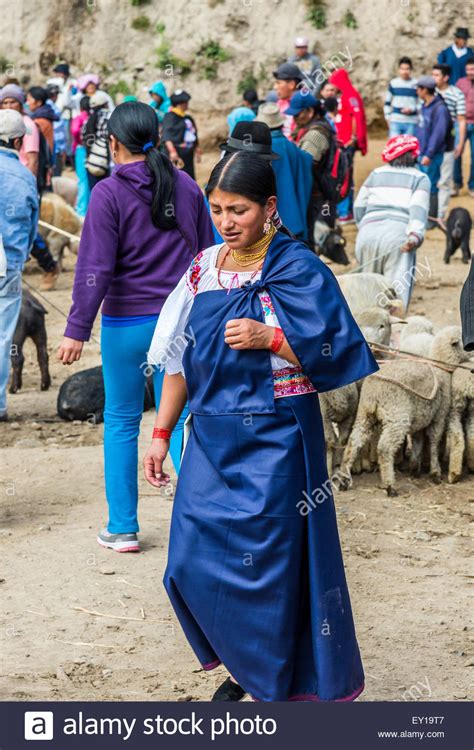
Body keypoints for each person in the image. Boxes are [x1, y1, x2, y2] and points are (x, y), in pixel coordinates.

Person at [144, 150, 378, 702]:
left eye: (239, 210)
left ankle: (264, 681)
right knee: (187, 562)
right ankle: (246, 662)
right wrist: (160, 434)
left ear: (269, 207)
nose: (226, 221)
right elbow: (176, 360)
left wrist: (271, 338)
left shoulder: (299, 268)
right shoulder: (202, 269)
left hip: (279, 437)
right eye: (217, 208)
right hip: (212, 437)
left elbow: (337, 352)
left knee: (274, 569)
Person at [58, 101, 214, 553]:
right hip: (181, 325)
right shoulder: (186, 186)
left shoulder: (108, 193)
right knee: (183, 419)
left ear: (112, 143)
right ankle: (200, 524)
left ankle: (123, 527)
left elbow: (95, 268)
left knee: (122, 420)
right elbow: (207, 255)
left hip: (126, 325)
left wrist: (76, 327)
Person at [354, 135, 430, 311]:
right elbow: (418, 210)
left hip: (367, 235)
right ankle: (394, 334)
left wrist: (364, 227)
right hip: (398, 238)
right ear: (414, 155)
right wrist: (414, 237)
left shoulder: (376, 173)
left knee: (367, 292)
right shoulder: (420, 178)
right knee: (395, 296)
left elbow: (359, 206)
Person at [1, 83, 60, 291]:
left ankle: (49, 266)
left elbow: (33, 159)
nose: (8, 105)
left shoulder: (26, 125)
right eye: (4, 101)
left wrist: (30, 187)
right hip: (8, 182)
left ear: (21, 103)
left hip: (22, 184)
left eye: (12, 101)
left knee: (27, 229)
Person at [0, 110, 39, 421]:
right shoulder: (24, 176)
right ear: (17, 141)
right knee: (2, 335)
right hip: (7, 266)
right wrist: (21, 256)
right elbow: (31, 227)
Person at [285, 92, 343, 247]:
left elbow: (303, 165)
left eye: (297, 114)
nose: (294, 119)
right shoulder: (318, 127)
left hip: (317, 199)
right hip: (321, 198)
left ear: (310, 111)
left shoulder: (315, 135)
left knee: (310, 244)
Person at [248, 107, 313, 239]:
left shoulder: (258, 150)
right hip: (294, 219)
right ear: (281, 124)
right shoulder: (291, 147)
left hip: (267, 217)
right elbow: (308, 162)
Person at [328, 69, 367, 224]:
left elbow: (357, 117)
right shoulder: (345, 96)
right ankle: (343, 210)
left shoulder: (350, 96)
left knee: (344, 177)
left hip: (346, 144)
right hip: (342, 142)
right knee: (342, 176)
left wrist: (353, 138)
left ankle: (345, 212)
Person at [415, 75, 452, 227]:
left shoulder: (440, 109)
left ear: (424, 90)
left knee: (431, 185)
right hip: (423, 153)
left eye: (418, 88)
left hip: (433, 155)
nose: (417, 91)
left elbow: (438, 134)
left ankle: (431, 219)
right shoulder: (424, 106)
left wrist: (429, 154)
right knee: (423, 185)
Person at [432, 63, 466, 219]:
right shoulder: (429, 92)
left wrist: (459, 143)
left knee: (445, 180)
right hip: (431, 143)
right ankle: (429, 211)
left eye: (437, 75)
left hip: (448, 142)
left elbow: (461, 119)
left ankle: (440, 213)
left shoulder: (456, 94)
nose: (434, 78)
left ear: (446, 77)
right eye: (433, 75)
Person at [161, 90, 201, 179]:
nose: (187, 104)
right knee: (177, 177)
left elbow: (193, 133)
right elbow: (167, 135)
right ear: (179, 104)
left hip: (187, 154)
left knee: (189, 177)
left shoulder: (187, 117)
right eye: (185, 102)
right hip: (177, 153)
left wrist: (197, 148)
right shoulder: (169, 117)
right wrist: (172, 151)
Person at [82, 90, 112, 191]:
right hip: (105, 162)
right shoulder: (109, 117)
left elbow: (84, 139)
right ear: (105, 104)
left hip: (91, 162)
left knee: (94, 193)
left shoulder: (88, 120)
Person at [383, 56, 419, 137]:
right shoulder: (393, 83)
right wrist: (388, 118)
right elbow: (387, 103)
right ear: (399, 69)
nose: (405, 71)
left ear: (411, 70)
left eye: (407, 69)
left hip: (411, 122)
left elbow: (421, 103)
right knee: (395, 148)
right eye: (402, 69)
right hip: (395, 121)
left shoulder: (416, 84)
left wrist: (412, 109)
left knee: (409, 148)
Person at [454, 56, 474, 196]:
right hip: (460, 123)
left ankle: (472, 186)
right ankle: (456, 184)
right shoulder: (460, 83)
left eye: (472, 68)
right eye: (468, 69)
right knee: (457, 153)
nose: (470, 71)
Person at [70, 95, 90, 216]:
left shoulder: (79, 118)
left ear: (81, 107)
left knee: (82, 180)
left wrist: (78, 140)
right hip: (93, 150)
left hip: (81, 149)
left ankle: (81, 210)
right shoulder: (93, 117)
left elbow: (74, 130)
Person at [272, 62, 303, 138]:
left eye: (278, 83)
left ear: (291, 84)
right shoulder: (280, 103)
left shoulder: (304, 106)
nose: (275, 87)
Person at [46, 84, 68, 176]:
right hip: (55, 150)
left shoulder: (44, 107)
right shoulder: (53, 109)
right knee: (56, 177)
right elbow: (58, 133)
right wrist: (62, 149)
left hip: (47, 148)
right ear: (54, 95)